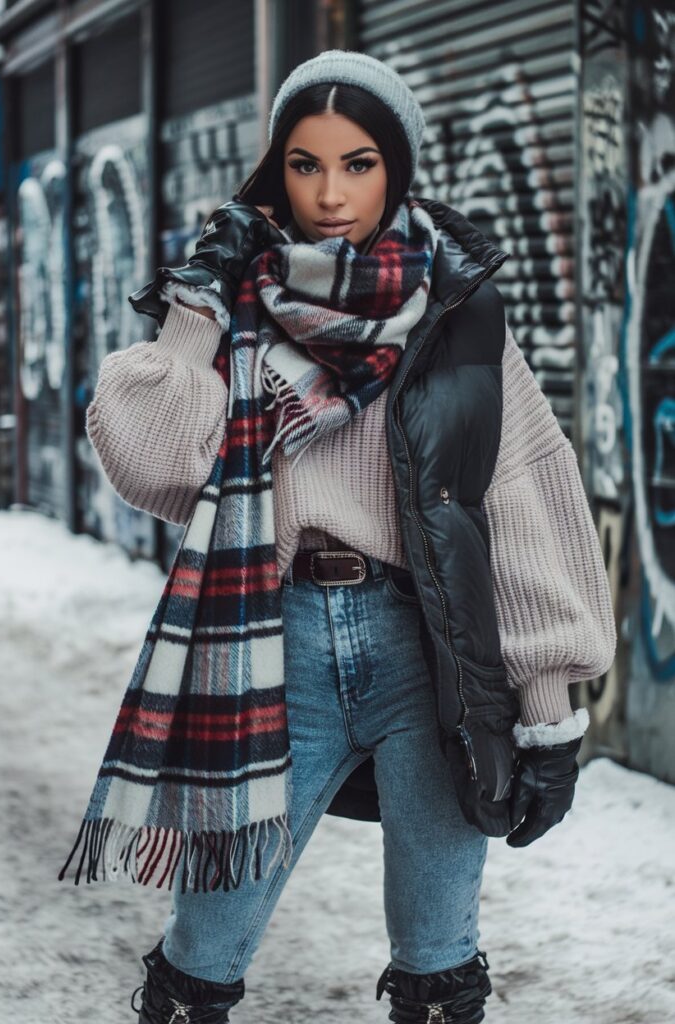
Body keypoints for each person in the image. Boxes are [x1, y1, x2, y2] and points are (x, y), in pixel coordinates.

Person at [64, 50, 616, 1024]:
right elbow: (151, 457)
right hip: (277, 648)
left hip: (431, 649)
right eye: (305, 163)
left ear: (395, 169)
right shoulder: (235, 300)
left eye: (357, 163)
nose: (329, 193)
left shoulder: (454, 309)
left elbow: (517, 489)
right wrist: (194, 308)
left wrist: (544, 699)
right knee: (203, 953)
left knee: (441, 962)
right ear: (276, 168)